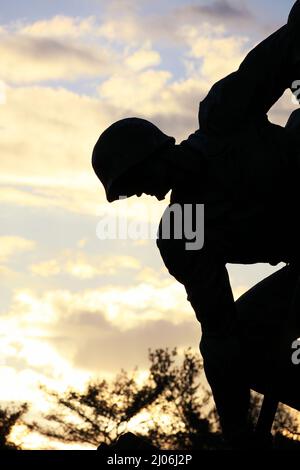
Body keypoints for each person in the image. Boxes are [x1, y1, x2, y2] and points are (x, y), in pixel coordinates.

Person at [92, 1, 300, 448]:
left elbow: (289, 46)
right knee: (245, 347)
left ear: (153, 151)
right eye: (130, 190)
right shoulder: (182, 234)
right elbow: (221, 334)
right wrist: (237, 434)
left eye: (136, 180)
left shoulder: (223, 117)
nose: (142, 192)